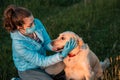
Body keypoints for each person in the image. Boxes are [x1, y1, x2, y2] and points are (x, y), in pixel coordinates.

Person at [3, 5, 77, 80]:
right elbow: (42, 61)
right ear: (19, 27)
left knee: (66, 65)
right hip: (29, 69)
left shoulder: (37, 23)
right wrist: (61, 55)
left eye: (33, 21)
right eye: (30, 25)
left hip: (42, 62)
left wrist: (55, 47)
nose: (35, 25)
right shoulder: (19, 45)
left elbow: (46, 42)